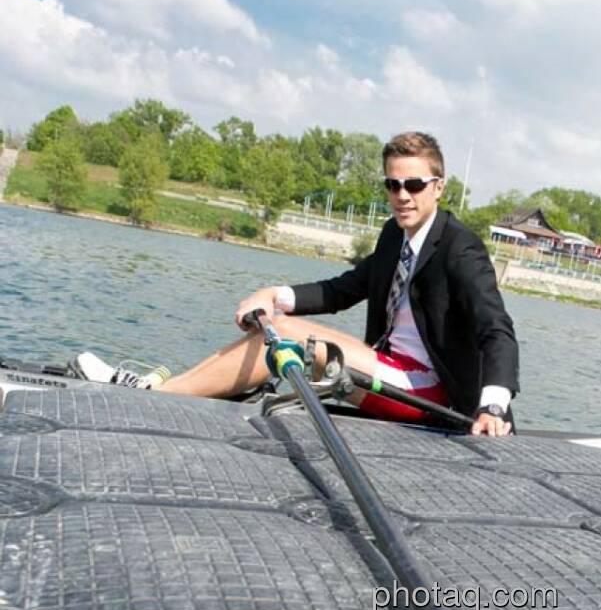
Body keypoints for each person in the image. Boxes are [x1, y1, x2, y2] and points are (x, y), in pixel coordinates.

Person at [77, 131, 519, 437]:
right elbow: (343, 289)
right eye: (392, 184)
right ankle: (166, 390)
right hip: (386, 368)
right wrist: (276, 295)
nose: (402, 195)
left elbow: (495, 328)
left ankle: (151, 397)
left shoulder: (461, 249)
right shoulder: (393, 235)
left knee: (288, 339)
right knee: (277, 327)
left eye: (414, 184)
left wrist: (493, 405)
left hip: (433, 396)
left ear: (438, 187)